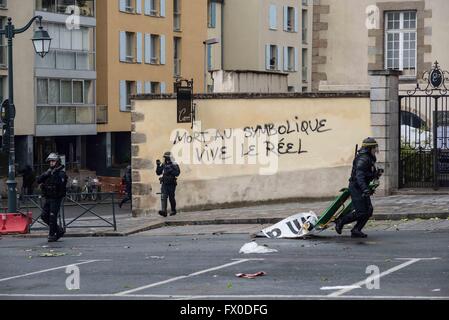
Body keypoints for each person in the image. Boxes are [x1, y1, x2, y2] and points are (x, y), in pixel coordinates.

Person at [335, 138, 383, 238]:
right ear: (370, 148)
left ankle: (356, 230)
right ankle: (341, 221)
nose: (376, 150)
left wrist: (375, 174)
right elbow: (359, 176)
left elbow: (366, 174)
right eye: (375, 148)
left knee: (368, 210)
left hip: (362, 186)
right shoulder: (363, 159)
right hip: (357, 187)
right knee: (361, 212)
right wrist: (365, 189)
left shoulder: (369, 158)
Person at [37, 153, 68, 243]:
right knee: (43, 216)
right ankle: (59, 230)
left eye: (53, 161)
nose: (51, 163)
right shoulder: (49, 171)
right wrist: (47, 174)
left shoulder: (61, 173)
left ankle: (52, 235)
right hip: (48, 197)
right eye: (50, 161)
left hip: (56, 197)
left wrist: (55, 174)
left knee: (52, 217)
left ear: (57, 162)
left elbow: (61, 184)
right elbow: (39, 180)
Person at [156, 152, 181, 217]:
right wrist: (158, 165)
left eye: (166, 157)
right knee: (163, 197)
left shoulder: (174, 164)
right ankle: (164, 211)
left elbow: (177, 173)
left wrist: (171, 171)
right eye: (165, 158)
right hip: (164, 183)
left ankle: (173, 210)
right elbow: (158, 173)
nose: (165, 159)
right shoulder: (164, 164)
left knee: (171, 197)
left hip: (171, 183)